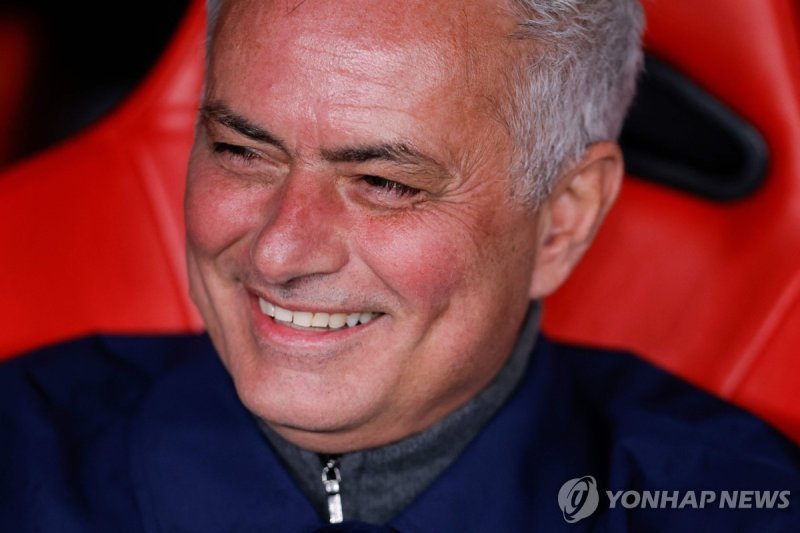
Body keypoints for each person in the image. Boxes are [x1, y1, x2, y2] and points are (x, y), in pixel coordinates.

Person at [1, 0, 798, 531]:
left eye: (384, 183)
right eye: (242, 151)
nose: (277, 250)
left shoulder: (744, 501)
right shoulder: (18, 451)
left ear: (564, 218)